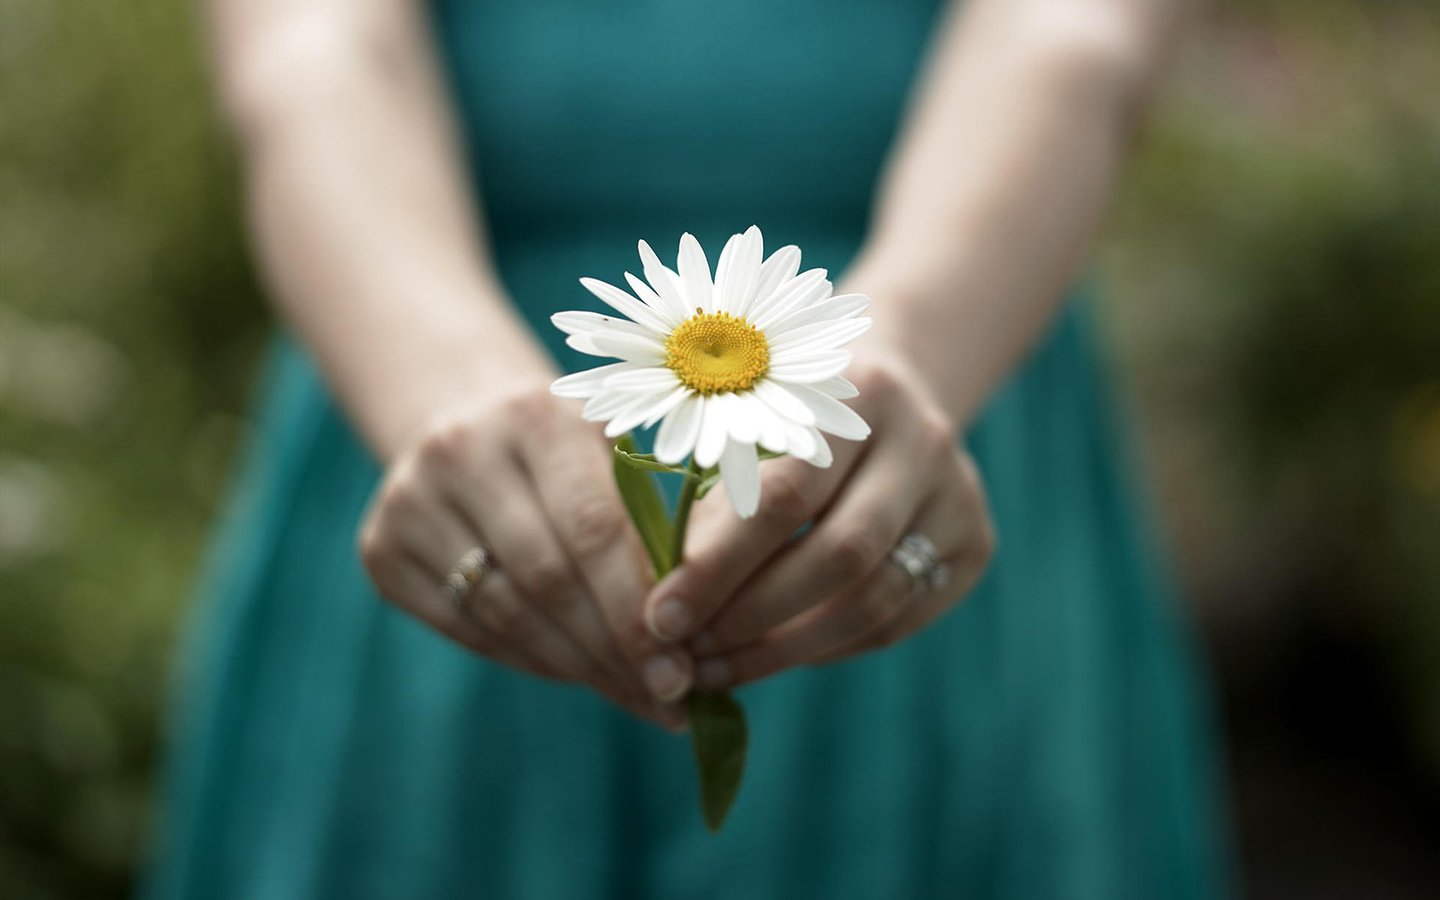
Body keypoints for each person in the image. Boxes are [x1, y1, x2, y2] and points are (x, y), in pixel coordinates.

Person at [143, 0, 1230, 897]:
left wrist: (903, 344)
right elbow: (313, 49)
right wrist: (446, 389)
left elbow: (1069, 36)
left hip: (928, 397)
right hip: (431, 404)